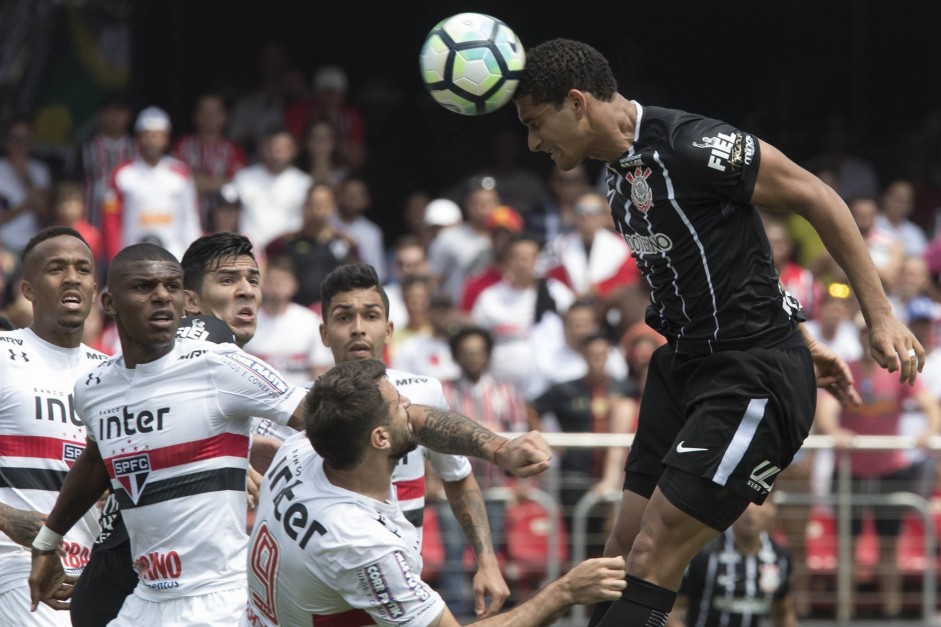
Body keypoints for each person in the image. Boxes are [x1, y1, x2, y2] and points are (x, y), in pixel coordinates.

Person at [513, 38, 922, 626]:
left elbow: (816, 195)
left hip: (749, 374)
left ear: (576, 103)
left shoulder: (692, 145)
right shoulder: (616, 180)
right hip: (682, 366)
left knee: (654, 552)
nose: (532, 142)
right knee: (617, 558)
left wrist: (878, 314)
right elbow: (731, 265)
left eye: (535, 123)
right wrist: (805, 338)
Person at [25, 243, 308, 625]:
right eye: (144, 287)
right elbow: (96, 463)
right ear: (109, 303)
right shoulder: (93, 387)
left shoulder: (219, 365)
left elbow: (325, 418)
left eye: (172, 287)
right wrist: (46, 543)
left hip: (218, 600)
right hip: (144, 600)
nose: (162, 297)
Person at [242, 358, 627, 626]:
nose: (411, 406)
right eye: (398, 406)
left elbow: (421, 422)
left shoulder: (305, 447)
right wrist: (564, 592)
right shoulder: (361, 544)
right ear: (379, 438)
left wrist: (499, 448)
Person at [316, 263, 508, 616]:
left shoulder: (423, 392)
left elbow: (458, 477)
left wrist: (487, 561)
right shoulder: (303, 409)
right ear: (324, 333)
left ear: (388, 330)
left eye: (370, 316)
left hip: (403, 590)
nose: (359, 329)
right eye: (344, 318)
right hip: (328, 599)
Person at [0, 227, 107, 626]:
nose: (71, 277)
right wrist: (8, 518)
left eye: (82, 268)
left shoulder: (113, 374)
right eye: (56, 268)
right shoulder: (4, 355)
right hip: (14, 565)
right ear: (27, 289)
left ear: (95, 288)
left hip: (94, 574)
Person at [814, 315, 941, 619]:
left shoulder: (897, 369)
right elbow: (826, 409)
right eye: (861, 331)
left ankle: (892, 611)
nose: (866, 337)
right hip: (850, 471)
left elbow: (928, 404)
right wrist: (834, 432)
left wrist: (929, 431)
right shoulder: (846, 368)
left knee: (889, 542)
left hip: (890, 470)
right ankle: (845, 611)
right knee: (847, 544)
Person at [667, 500, 796, 627]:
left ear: (772, 509)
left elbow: (783, 613)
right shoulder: (706, 553)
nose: (750, 510)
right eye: (745, 500)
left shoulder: (780, 557)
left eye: (759, 502)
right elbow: (673, 610)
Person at [102, 106, 202, 262]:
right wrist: (116, 259)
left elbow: (190, 218)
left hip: (175, 257)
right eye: (147, 135)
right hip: (133, 258)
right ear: (138, 138)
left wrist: (193, 259)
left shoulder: (181, 173)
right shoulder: (122, 174)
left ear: (166, 138)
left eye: (158, 135)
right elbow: (111, 222)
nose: (152, 140)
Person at [263, 181, 357, 309]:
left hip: (333, 315)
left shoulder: (346, 243)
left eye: (323, 204)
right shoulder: (288, 241)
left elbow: (356, 280)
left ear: (333, 206)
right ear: (305, 205)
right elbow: (263, 258)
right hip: (296, 314)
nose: (318, 209)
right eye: (314, 203)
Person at [243, 255, 333, 386]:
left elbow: (320, 367)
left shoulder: (309, 320)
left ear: (294, 285)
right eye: (272, 280)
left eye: (283, 280)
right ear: (261, 284)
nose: (277, 286)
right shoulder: (245, 319)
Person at [171, 93, 247, 230]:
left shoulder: (234, 150)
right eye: (204, 112)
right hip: (184, 224)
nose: (209, 117)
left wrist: (197, 181)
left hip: (222, 229)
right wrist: (218, 182)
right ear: (195, 115)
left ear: (226, 116)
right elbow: (175, 182)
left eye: (215, 112)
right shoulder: (181, 145)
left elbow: (237, 185)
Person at [231, 127, 311, 251]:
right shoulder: (243, 179)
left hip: (288, 254)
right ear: (262, 149)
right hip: (249, 254)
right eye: (271, 147)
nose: (276, 152)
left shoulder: (305, 183)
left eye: (283, 148)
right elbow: (229, 218)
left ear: (294, 150)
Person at [0, 118, 51, 255]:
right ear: (7, 142)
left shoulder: (40, 171)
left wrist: (24, 177)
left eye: (25, 139)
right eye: (15, 139)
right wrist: (27, 204)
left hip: (32, 244)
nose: (20, 145)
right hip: (3, 244)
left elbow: (44, 211)